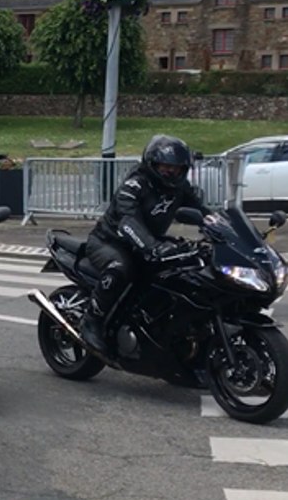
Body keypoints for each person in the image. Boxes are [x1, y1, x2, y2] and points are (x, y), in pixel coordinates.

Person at [80, 135, 208, 361]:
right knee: (119, 269)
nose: (171, 172)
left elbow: (204, 212)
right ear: (152, 164)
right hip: (110, 241)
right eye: (166, 167)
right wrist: (153, 248)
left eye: (177, 168)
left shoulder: (181, 188)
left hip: (150, 242)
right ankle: (92, 320)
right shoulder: (134, 185)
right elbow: (128, 221)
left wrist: (228, 231)